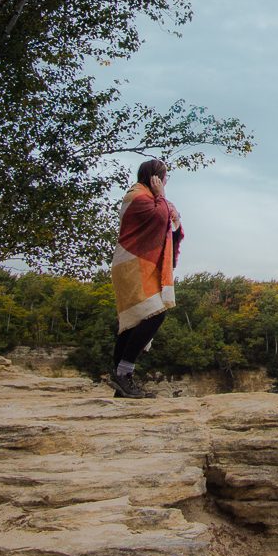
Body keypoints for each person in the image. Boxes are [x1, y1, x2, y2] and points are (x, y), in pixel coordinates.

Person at [108, 158, 183, 398]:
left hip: (141, 264)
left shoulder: (149, 198)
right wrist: (161, 197)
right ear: (155, 177)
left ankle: (122, 380)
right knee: (154, 314)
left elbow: (171, 224)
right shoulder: (137, 197)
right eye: (164, 177)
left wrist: (167, 208)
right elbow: (160, 219)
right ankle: (123, 373)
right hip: (133, 263)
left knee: (134, 320)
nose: (165, 182)